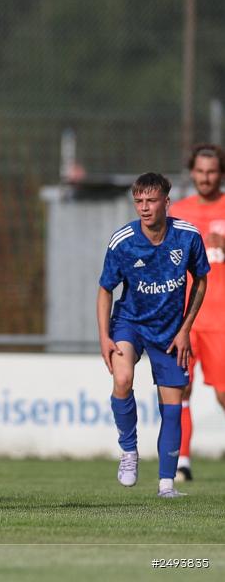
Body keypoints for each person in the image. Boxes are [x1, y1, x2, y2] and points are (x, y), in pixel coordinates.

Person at [96, 172, 209, 498]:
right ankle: (129, 452)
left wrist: (186, 330)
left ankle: (166, 485)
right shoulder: (123, 242)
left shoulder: (186, 237)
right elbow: (105, 289)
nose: (145, 208)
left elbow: (201, 280)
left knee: (173, 404)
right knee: (122, 379)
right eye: (139, 202)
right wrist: (104, 336)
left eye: (151, 200)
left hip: (171, 331)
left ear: (166, 203)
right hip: (129, 323)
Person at [168, 144, 225, 482]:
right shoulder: (180, 213)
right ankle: (181, 462)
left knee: (222, 394)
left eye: (212, 172)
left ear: (220, 174)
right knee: (178, 388)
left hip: (221, 320)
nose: (206, 177)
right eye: (201, 171)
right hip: (185, 320)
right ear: (192, 172)